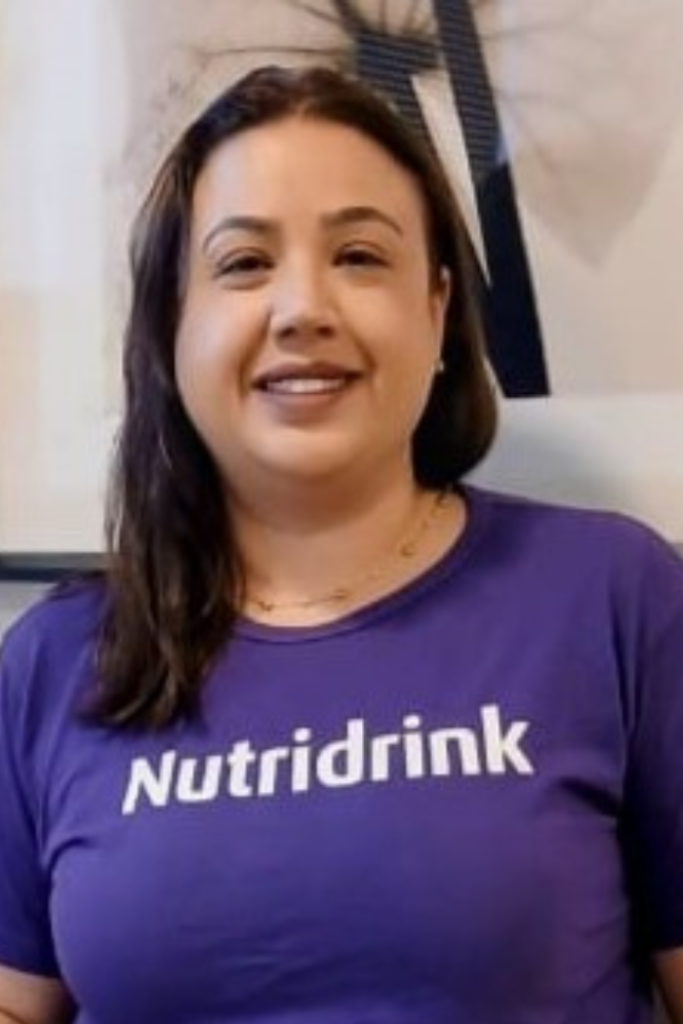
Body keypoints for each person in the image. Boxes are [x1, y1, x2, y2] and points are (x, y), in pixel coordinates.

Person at [0, 63, 682, 1024]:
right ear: (171, 324)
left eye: (359, 256)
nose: (303, 309)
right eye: (244, 263)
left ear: (436, 310)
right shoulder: (53, 660)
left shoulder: (612, 595)